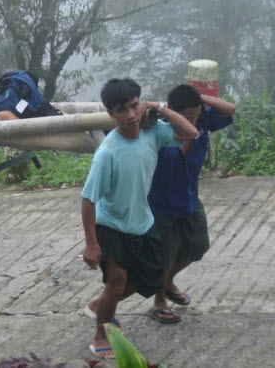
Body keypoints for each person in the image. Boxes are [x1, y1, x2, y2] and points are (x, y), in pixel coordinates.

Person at [81, 78, 198, 358]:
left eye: (135, 106)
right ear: (111, 114)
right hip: (110, 224)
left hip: (143, 222)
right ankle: (102, 334)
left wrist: (160, 107)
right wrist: (92, 244)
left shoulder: (152, 132)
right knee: (118, 281)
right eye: (122, 110)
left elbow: (191, 132)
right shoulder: (107, 154)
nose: (131, 115)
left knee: (152, 277)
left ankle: (100, 305)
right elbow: (88, 200)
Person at [147, 85, 236, 323]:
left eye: (197, 116)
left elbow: (230, 109)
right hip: (161, 203)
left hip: (189, 196)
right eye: (188, 118)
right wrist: (160, 109)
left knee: (198, 247)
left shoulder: (202, 120)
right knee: (165, 254)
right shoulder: (158, 131)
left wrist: (198, 99)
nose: (194, 123)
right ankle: (159, 302)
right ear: (173, 114)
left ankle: (167, 281)